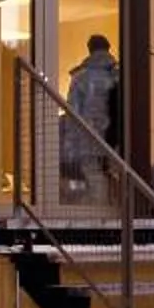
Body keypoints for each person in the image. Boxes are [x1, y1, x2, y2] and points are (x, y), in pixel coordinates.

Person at [59, 33, 121, 203]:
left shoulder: (80, 77)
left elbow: (73, 115)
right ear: (108, 49)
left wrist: (69, 151)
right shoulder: (120, 75)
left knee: (95, 185)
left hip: (89, 143)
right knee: (116, 186)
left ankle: (100, 219)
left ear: (90, 49)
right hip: (117, 142)